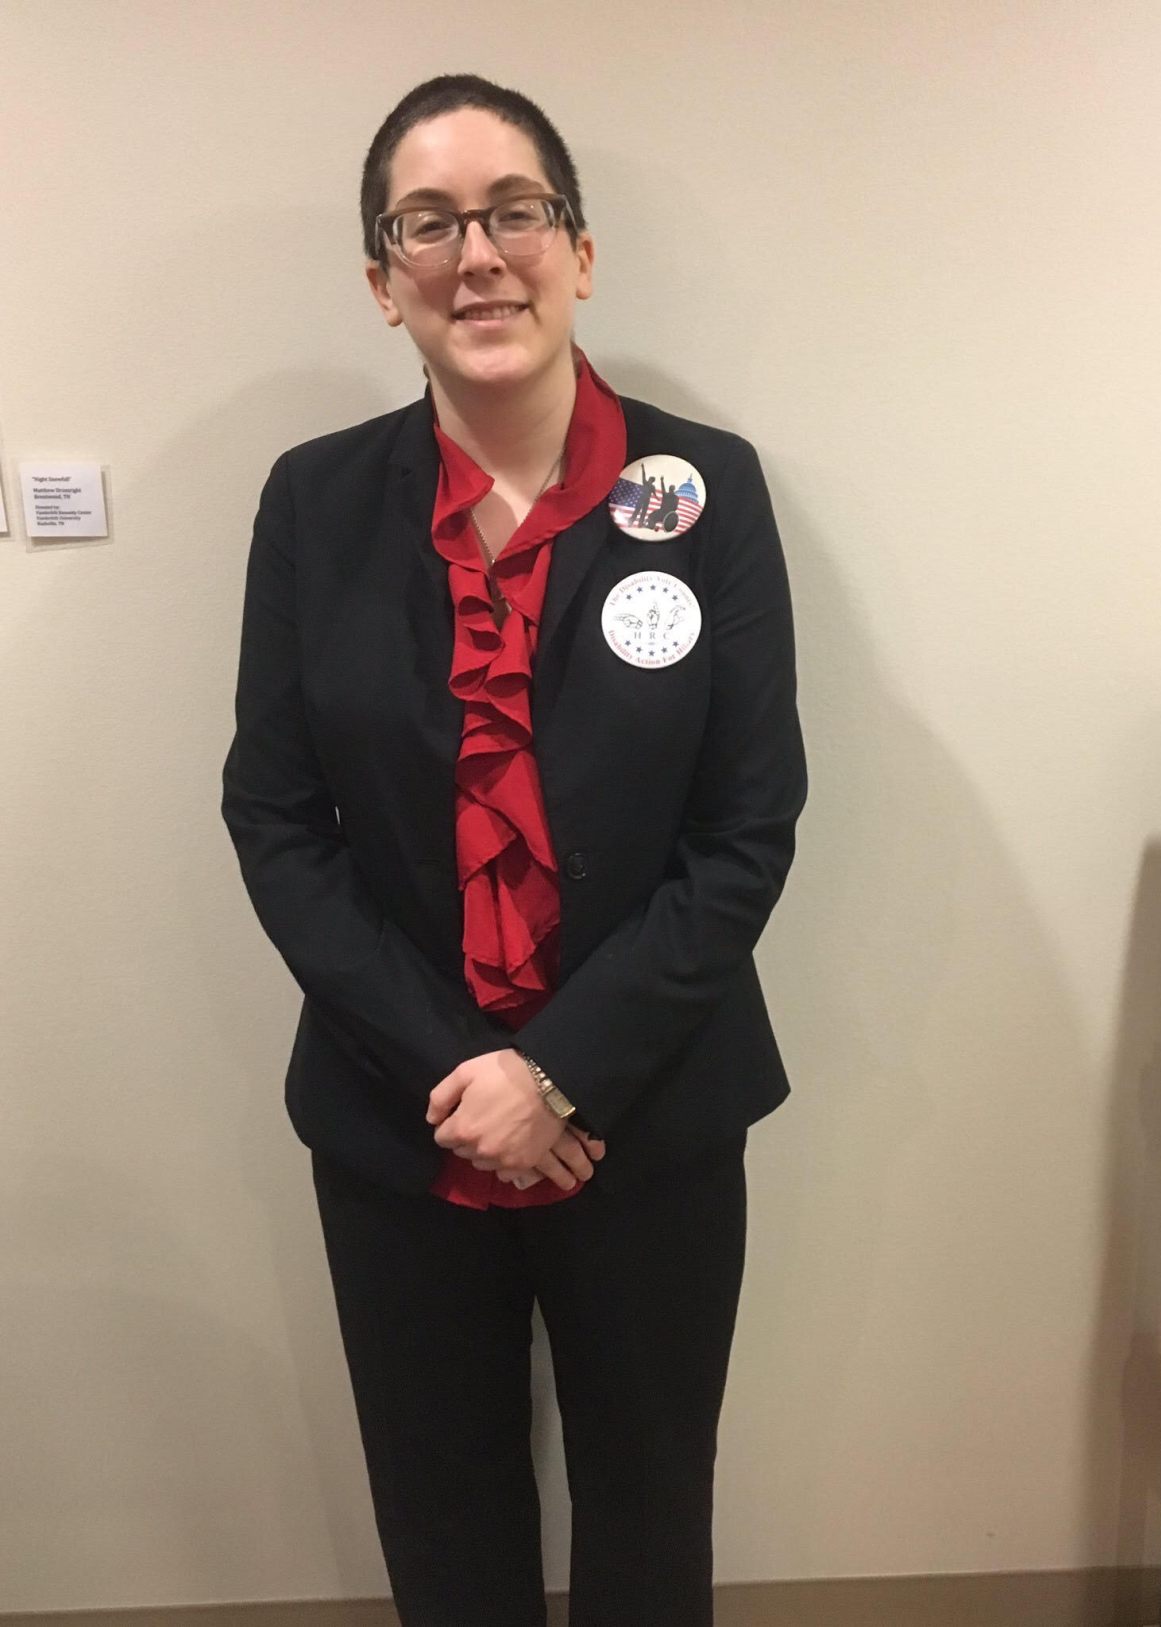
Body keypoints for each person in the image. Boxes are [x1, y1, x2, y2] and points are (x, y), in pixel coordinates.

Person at [220, 71, 806, 1627]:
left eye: (514, 212)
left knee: (646, 1524)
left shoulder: (710, 490)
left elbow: (745, 830)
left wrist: (557, 1071)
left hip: (653, 1117)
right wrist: (462, 1079)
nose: (476, 256)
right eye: (428, 224)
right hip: (395, 1125)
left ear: (580, 250)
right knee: (446, 1531)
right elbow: (276, 819)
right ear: (381, 282)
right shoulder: (313, 504)